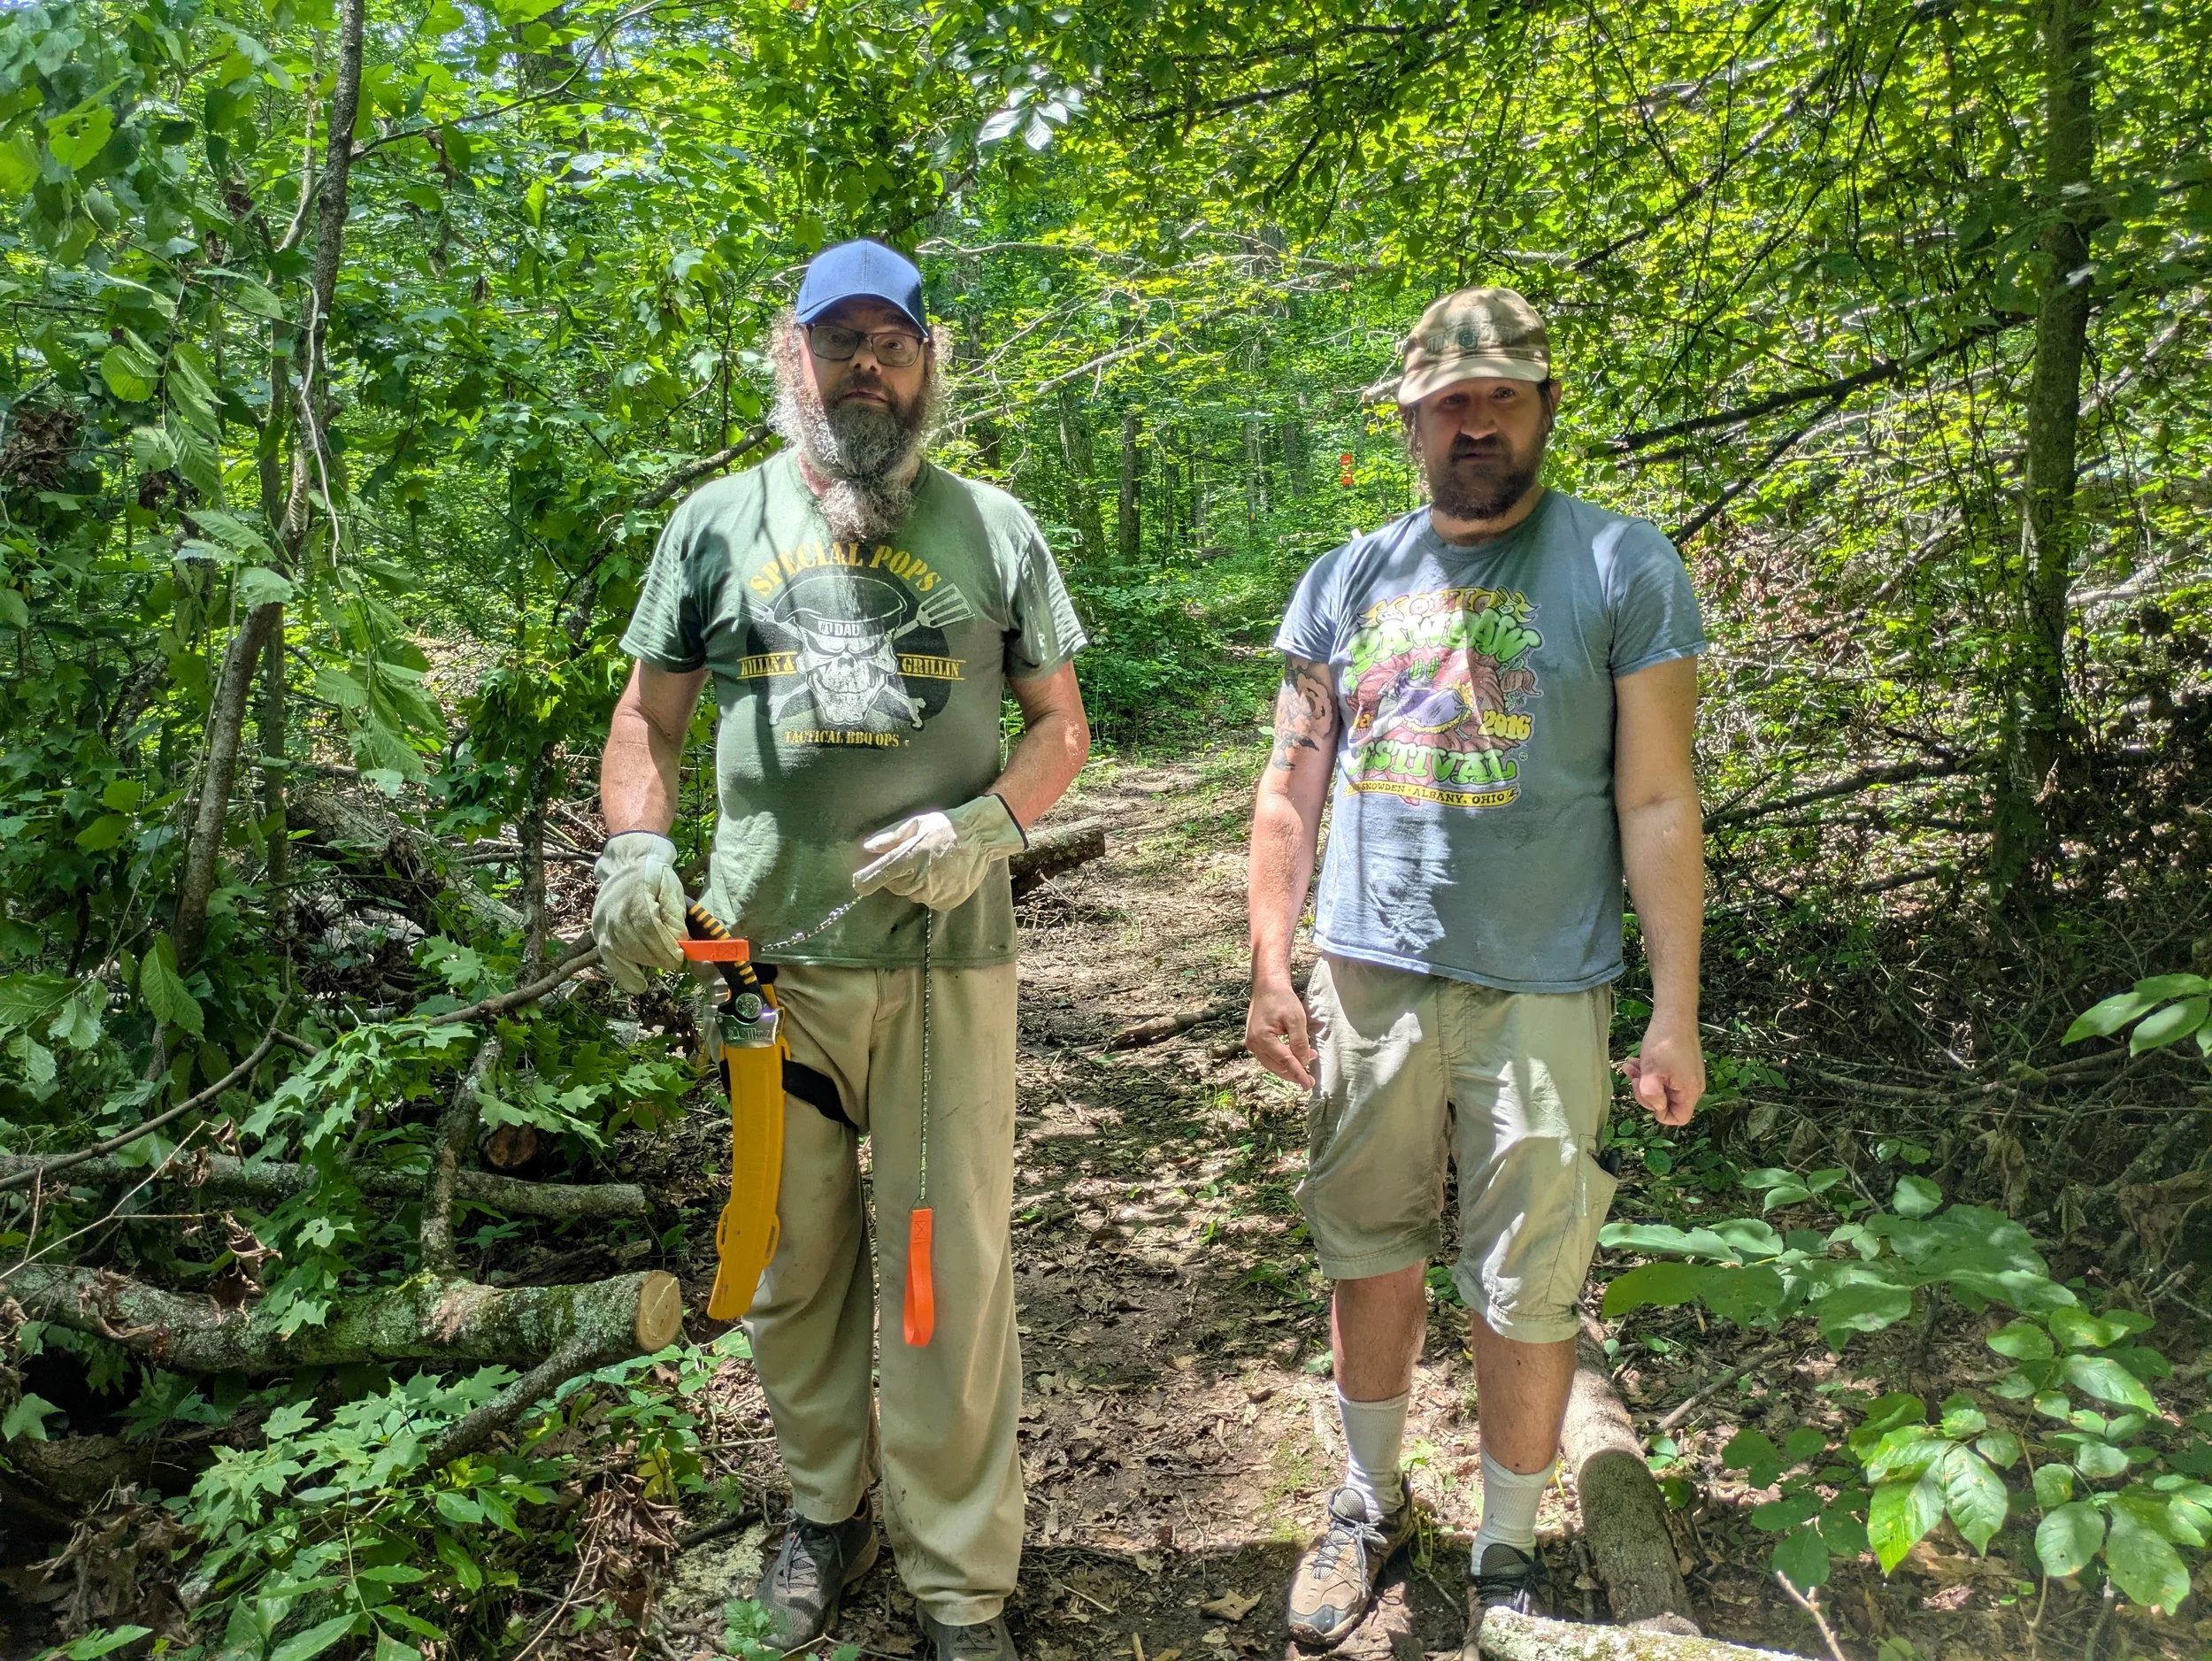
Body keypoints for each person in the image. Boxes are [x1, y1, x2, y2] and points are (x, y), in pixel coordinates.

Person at [589, 238, 1090, 1661]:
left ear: (929, 363)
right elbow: (648, 722)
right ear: (789, 356)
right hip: (765, 971)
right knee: (793, 1262)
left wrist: (988, 823)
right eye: (837, 340)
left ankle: (957, 1579)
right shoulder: (714, 523)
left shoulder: (994, 527)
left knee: (940, 1269)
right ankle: (828, 1511)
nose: (865, 365)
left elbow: (1063, 726)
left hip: (945, 965)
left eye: (892, 341)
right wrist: (637, 846)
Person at [1243, 287, 1706, 1651]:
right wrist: (1273, 963)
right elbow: (1289, 786)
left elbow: (1660, 803)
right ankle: (1368, 1503)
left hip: (1546, 984)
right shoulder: (1343, 580)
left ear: (1547, 404)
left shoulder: (1624, 567)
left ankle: (1510, 1541)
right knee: (1367, 1248)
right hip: (1369, 975)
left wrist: (1672, 1010)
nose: (1479, 421)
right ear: (1409, 420)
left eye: (1505, 395)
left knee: (1530, 1280)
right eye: (1452, 401)